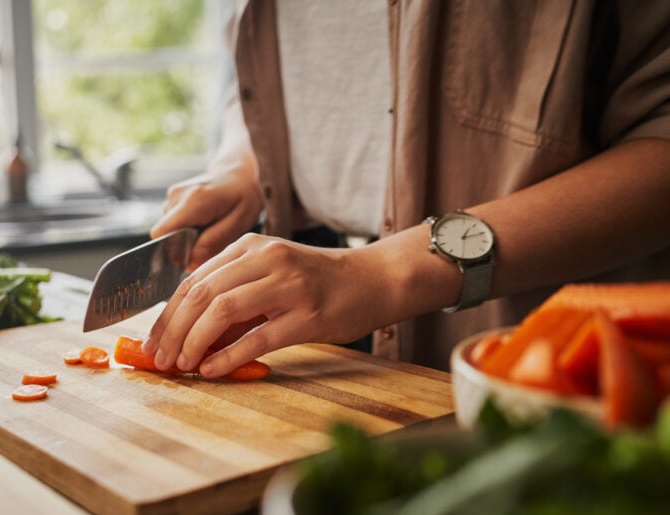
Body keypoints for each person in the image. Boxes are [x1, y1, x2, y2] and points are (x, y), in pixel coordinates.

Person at [142, 0, 670, 378]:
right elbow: (266, 73)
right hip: (306, 298)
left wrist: (386, 271)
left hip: (533, 337)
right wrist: (244, 161)